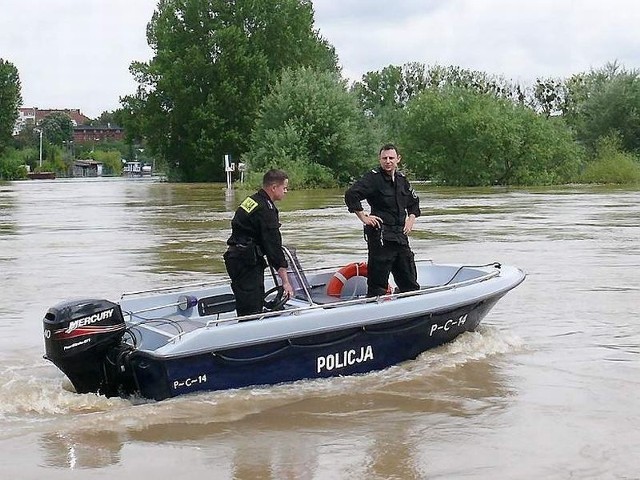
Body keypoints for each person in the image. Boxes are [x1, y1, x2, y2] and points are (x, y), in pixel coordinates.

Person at [345, 143, 421, 297]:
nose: (388, 161)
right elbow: (351, 194)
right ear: (380, 160)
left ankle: (410, 308)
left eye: (391, 158)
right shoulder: (373, 178)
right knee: (378, 284)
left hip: (400, 236)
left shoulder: (402, 180)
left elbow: (414, 202)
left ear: (398, 159)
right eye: (384, 158)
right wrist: (363, 217)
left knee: (410, 282)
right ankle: (374, 311)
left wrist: (411, 219)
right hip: (381, 238)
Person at [224, 169, 294, 317]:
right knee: (251, 306)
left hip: (235, 258)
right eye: (285, 187)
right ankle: (248, 332)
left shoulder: (252, 200)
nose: (286, 191)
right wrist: (285, 282)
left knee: (245, 300)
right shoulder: (266, 210)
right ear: (274, 188)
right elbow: (273, 247)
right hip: (247, 262)